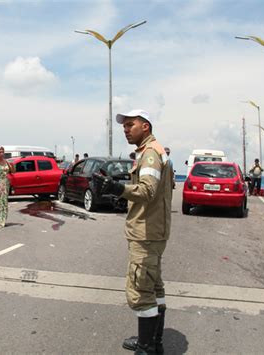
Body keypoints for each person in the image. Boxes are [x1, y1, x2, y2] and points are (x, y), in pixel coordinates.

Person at [93, 109, 172, 354]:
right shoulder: (153, 151)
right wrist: (123, 196)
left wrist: (119, 188)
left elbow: (147, 191)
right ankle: (154, 342)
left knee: (140, 291)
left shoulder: (150, 154)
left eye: (130, 125)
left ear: (145, 127)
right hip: (154, 230)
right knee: (154, 287)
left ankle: (146, 347)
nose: (125, 130)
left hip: (146, 233)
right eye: (124, 126)